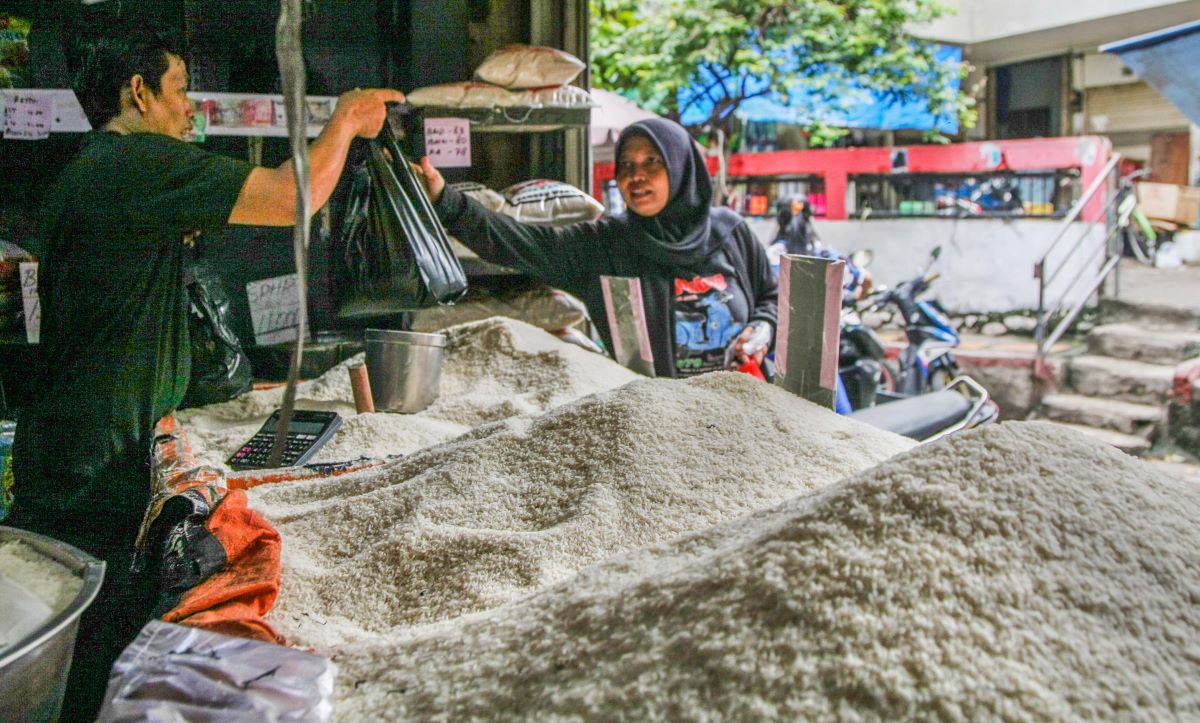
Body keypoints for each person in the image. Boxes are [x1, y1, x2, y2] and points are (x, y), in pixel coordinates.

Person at [7, 28, 403, 718]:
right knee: (87, 663)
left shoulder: (89, 171)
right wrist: (345, 120)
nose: (191, 109)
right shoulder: (134, 163)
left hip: (73, 448)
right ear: (139, 94)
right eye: (181, 90)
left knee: (80, 656)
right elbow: (289, 198)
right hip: (97, 465)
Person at [418, 118, 777, 378]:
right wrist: (445, 201)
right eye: (625, 165)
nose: (635, 175)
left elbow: (771, 297)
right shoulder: (605, 245)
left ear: (681, 167)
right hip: (661, 426)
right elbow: (521, 243)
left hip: (744, 409)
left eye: (652, 161)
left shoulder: (732, 233)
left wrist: (763, 326)